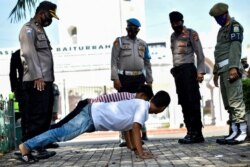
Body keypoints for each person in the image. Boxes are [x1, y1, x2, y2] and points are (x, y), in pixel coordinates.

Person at [17, 90, 171, 163]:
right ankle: (26, 146)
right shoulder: (142, 108)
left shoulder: (139, 104)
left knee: (60, 132)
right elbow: (136, 128)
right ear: (162, 108)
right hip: (91, 116)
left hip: (92, 116)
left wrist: (134, 149)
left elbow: (128, 128)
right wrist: (141, 152)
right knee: (60, 134)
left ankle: (28, 145)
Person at [19, 1, 59, 159]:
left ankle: (39, 147)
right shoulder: (28, 29)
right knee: (36, 116)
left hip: (45, 80)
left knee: (44, 115)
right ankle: (30, 148)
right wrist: (38, 76)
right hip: (36, 80)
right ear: (42, 13)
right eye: (50, 15)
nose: (50, 20)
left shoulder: (39, 29)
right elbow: (29, 53)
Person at [209, 3, 247, 145]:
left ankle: (242, 131)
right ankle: (234, 131)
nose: (217, 20)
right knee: (228, 104)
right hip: (223, 70)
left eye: (218, 17)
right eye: (215, 18)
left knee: (236, 101)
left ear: (225, 14)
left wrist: (233, 68)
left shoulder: (234, 26)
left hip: (231, 69)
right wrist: (215, 72)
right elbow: (219, 52)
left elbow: (235, 48)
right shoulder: (221, 30)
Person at [111, 18, 153, 146]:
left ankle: (140, 135)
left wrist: (149, 80)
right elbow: (113, 61)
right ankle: (124, 137)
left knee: (140, 106)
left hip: (139, 78)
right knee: (124, 107)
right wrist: (115, 78)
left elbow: (147, 63)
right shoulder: (119, 42)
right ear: (126, 29)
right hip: (124, 78)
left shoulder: (143, 44)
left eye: (134, 29)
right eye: (129, 28)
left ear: (138, 30)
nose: (131, 31)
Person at [169, 11, 206, 144]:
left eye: (178, 22)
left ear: (182, 21)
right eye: (173, 23)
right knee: (183, 102)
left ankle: (197, 133)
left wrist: (200, 71)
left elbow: (200, 53)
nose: (176, 25)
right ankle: (190, 131)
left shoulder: (191, 33)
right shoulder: (173, 36)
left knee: (192, 101)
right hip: (178, 73)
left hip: (189, 70)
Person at [9, 49, 25, 130]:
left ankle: (26, 137)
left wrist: (14, 88)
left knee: (24, 115)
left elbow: (12, 74)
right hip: (33, 88)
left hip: (21, 87)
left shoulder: (16, 54)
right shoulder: (35, 51)